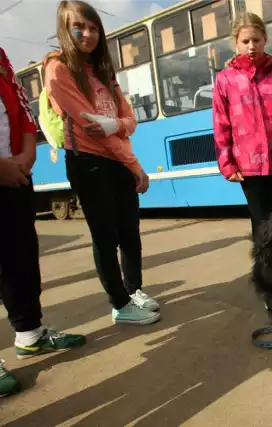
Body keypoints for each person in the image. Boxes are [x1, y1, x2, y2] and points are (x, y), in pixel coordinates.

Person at [43, 0, 160, 326]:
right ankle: (120, 305)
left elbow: (129, 121)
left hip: (118, 160)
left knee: (130, 234)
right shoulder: (58, 69)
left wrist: (116, 127)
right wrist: (134, 163)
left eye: (94, 27)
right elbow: (89, 125)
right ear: (64, 29)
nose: (88, 33)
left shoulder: (104, 71)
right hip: (89, 162)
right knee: (106, 236)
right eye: (79, 26)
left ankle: (134, 290)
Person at [0, 47, 85, 397]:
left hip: (16, 173)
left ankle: (30, 335)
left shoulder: (3, 58)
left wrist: (24, 156)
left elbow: (21, 113)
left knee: (21, 259)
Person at [212, 11, 272, 241]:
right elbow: (221, 125)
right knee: (261, 225)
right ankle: (266, 273)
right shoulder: (225, 81)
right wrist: (227, 164)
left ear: (265, 39)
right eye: (245, 41)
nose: (251, 46)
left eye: (256, 40)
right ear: (235, 43)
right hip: (249, 169)